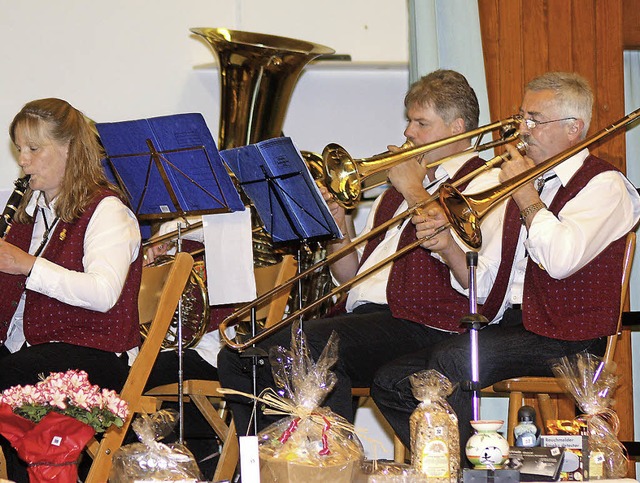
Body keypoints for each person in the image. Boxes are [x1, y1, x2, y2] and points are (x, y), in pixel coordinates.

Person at [371, 72, 640, 462]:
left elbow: (560, 260)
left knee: (452, 362)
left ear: (573, 129)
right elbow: (494, 274)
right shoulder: (526, 179)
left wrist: (526, 195)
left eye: (534, 119)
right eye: (521, 116)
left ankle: (474, 471)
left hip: (570, 337)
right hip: (515, 325)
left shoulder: (606, 186)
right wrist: (447, 245)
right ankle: (455, 467)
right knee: (391, 380)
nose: (521, 129)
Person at [217, 69, 498, 436]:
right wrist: (337, 225)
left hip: (426, 324)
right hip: (368, 319)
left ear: (459, 128)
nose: (408, 133)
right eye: (409, 121)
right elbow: (352, 277)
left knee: (307, 345)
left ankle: (332, 464)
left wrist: (415, 190)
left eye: (421, 123)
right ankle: (267, 466)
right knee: (239, 357)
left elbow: (478, 282)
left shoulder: (485, 183)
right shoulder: (393, 192)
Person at [0, 98, 142, 481]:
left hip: (96, 354)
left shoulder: (107, 211)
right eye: (19, 149)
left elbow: (103, 292)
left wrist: (26, 264)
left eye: (34, 149)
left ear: (69, 150)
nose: (23, 160)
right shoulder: (32, 213)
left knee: (8, 377)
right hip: (37, 351)